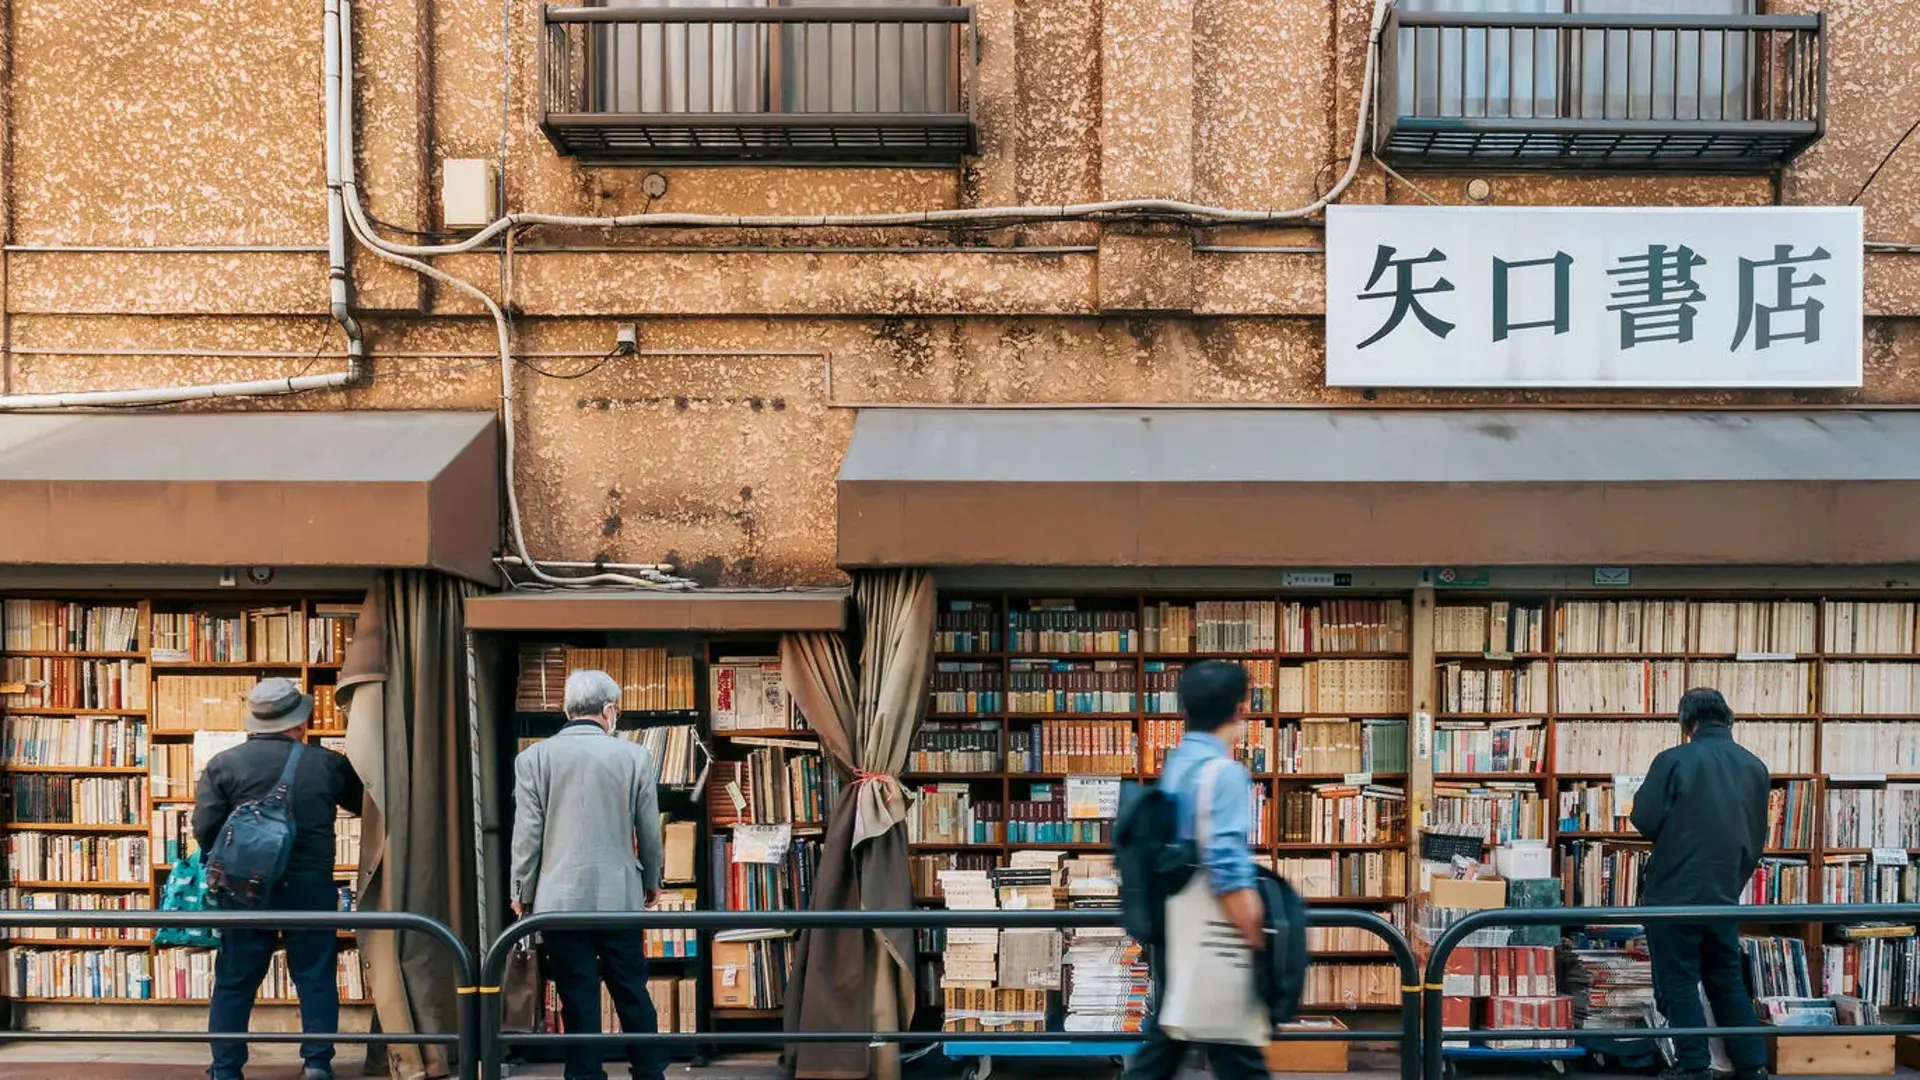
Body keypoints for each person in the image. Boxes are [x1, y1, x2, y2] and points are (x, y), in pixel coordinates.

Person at [195, 677, 365, 1080]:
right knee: (315, 975)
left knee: (235, 978)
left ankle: (226, 1068)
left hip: (245, 888)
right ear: (300, 722)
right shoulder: (326, 763)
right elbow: (363, 803)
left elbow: (204, 829)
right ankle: (317, 1062)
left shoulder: (224, 763)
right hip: (309, 885)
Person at [511, 669, 668, 1080]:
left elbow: (528, 835)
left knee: (576, 993)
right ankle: (649, 1070)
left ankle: (584, 1074)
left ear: (565, 710)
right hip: (619, 895)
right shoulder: (634, 756)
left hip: (559, 900)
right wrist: (652, 879)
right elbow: (648, 830)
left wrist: (521, 891)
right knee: (631, 988)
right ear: (610, 710)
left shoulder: (533, 759)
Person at [1125, 660, 1267, 1080]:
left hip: (1175, 925)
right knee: (1234, 1052)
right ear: (1240, 706)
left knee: (1172, 1042)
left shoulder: (1179, 763)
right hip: (1215, 931)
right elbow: (1223, 860)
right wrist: (1251, 928)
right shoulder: (1223, 773)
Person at [1630, 687, 1772, 1080]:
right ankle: (1752, 1063)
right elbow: (1757, 834)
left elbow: (1645, 819)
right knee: (1726, 978)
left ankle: (1693, 1065)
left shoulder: (1674, 760)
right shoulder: (1755, 766)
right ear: (1727, 718)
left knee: (1678, 980)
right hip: (1725, 891)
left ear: (1688, 724)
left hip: (1674, 890)